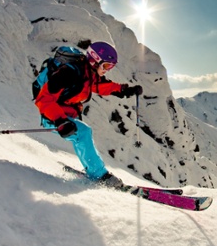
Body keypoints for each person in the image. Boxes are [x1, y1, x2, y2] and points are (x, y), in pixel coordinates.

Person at [34, 41, 142, 188]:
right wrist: (60, 121)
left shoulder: (88, 73)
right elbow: (43, 99)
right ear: (94, 60)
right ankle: (99, 176)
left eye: (111, 67)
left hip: (66, 115)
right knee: (83, 132)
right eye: (106, 66)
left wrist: (125, 90)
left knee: (81, 135)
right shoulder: (68, 72)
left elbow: (103, 86)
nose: (107, 70)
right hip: (52, 116)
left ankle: (93, 168)